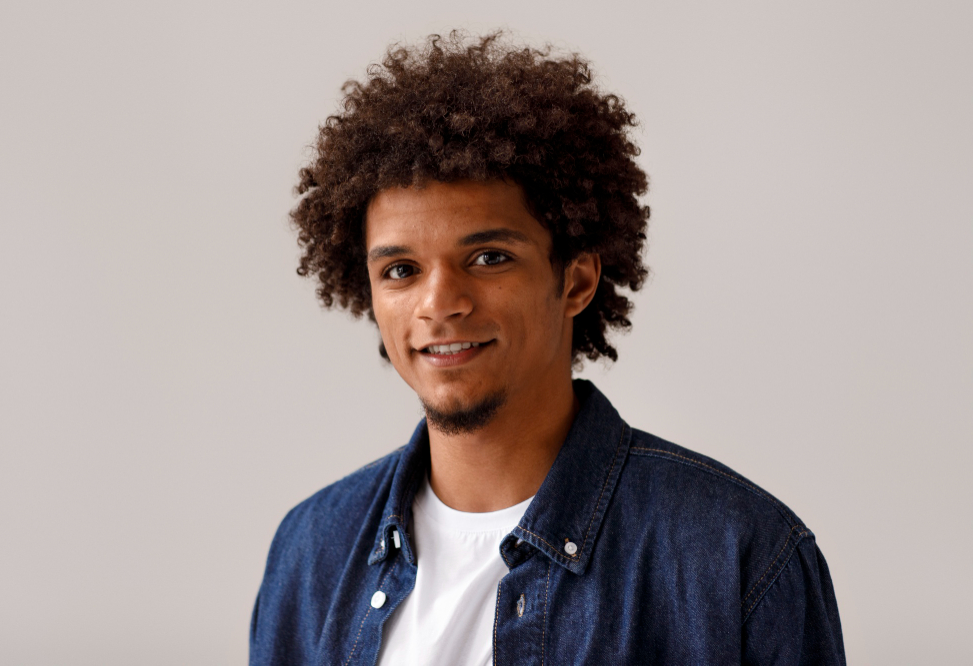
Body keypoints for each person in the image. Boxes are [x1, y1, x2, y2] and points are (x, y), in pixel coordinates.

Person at [250, 32, 846, 665]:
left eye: (488, 258)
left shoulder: (734, 555)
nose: (439, 302)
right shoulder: (312, 549)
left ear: (577, 280)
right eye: (400, 269)